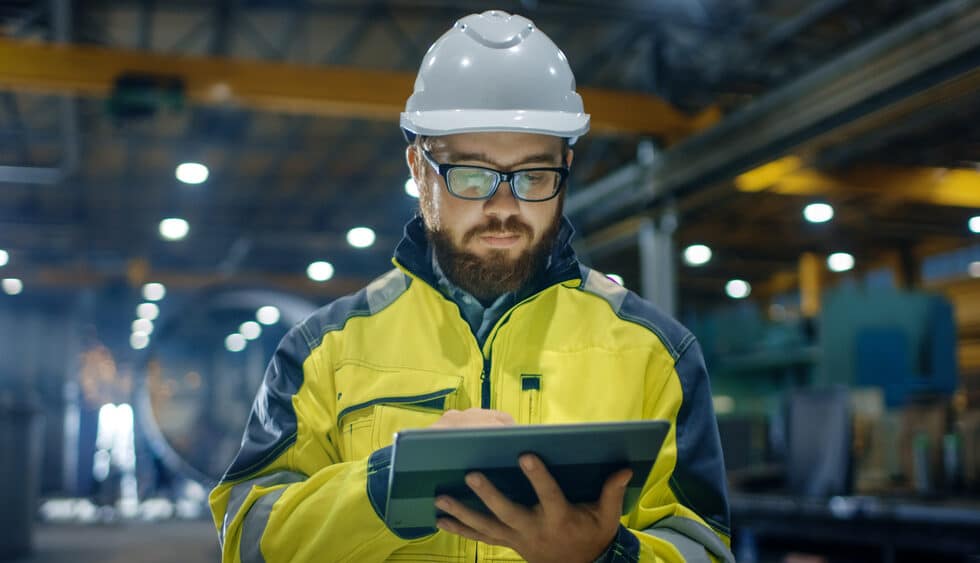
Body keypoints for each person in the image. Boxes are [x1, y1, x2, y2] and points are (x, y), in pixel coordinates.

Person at [209, 10, 732, 563]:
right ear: (418, 166)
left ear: (566, 166)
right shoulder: (324, 351)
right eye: (473, 175)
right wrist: (383, 489)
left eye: (534, 175)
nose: (503, 207)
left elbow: (705, 548)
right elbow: (247, 541)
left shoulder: (655, 353)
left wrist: (605, 556)